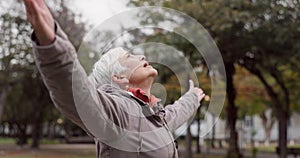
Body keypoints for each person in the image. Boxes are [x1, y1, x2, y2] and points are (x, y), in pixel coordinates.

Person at [23, 0, 205, 157]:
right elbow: (77, 93)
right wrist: (53, 46)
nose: (141, 57)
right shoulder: (116, 112)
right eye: (129, 57)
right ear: (118, 77)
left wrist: (193, 97)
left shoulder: (153, 115)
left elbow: (174, 113)